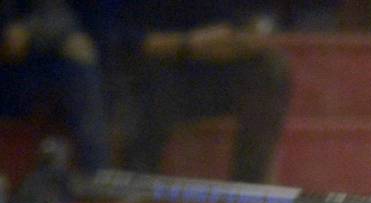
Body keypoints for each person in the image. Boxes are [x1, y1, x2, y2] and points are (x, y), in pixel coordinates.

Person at [113, 0, 292, 184]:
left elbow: (243, 21)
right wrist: (188, 44)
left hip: (208, 70)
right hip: (151, 70)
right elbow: (115, 38)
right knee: (155, 75)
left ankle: (249, 186)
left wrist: (243, 39)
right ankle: (139, 183)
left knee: (268, 68)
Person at [0, 0, 111, 174]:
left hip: (28, 61)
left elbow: (56, 16)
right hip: (12, 68)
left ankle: (94, 177)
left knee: (78, 56)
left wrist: (27, 32)